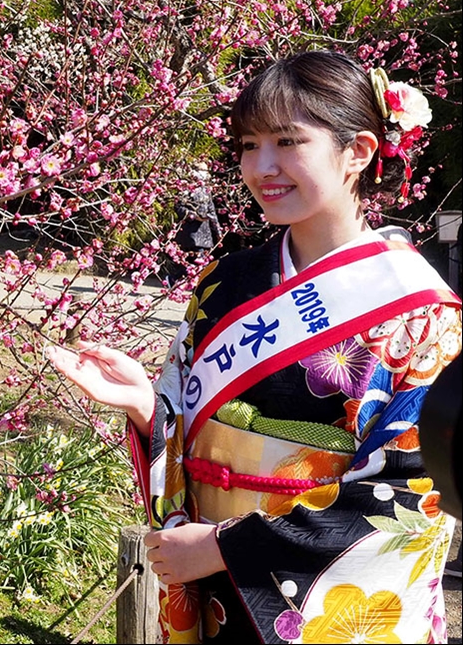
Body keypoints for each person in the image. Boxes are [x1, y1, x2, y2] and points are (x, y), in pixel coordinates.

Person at [47, 51, 462, 643]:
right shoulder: (228, 280)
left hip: (311, 593)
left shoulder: (420, 312)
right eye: (247, 144)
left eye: (288, 141)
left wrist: (223, 546)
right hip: (213, 585)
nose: (261, 166)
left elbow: (410, 492)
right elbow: (186, 419)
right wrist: (147, 406)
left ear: (359, 151)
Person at [165, 162, 221, 285]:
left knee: (198, 262)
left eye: (206, 171)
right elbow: (179, 207)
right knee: (194, 262)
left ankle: (179, 281)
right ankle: (175, 279)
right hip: (190, 231)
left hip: (204, 232)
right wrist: (194, 216)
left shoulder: (206, 190)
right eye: (203, 170)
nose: (205, 174)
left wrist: (218, 231)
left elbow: (212, 212)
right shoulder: (186, 188)